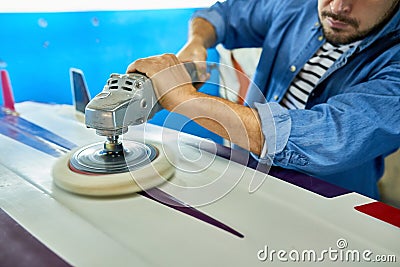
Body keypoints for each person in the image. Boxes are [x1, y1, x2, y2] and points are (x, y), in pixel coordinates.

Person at [126, 0, 400, 199]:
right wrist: (197, 41)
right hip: (250, 182)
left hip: (334, 209)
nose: (338, 7)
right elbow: (223, 14)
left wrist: (184, 99)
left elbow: (329, 137)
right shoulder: (296, 6)